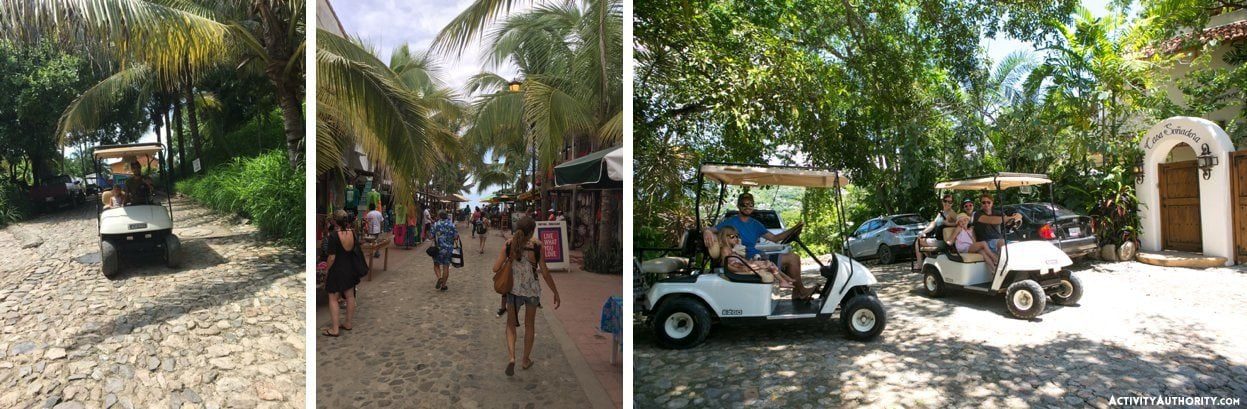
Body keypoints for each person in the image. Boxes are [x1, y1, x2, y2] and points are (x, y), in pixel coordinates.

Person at [703, 193, 816, 300]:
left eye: (750, 204)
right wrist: (707, 231)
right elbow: (711, 229)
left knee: (793, 257)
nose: (747, 207)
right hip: (746, 259)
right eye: (744, 204)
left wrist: (793, 229)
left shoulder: (755, 224)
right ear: (738, 206)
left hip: (757, 255)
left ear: (753, 205)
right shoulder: (731, 222)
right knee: (792, 258)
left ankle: (797, 292)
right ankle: (800, 292)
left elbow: (775, 238)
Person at [492, 216, 560, 376]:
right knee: (530, 325)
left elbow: (495, 268)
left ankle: (512, 358)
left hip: (513, 291)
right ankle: (525, 360)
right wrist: (555, 292)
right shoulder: (537, 246)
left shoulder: (509, 245)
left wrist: (509, 261)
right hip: (532, 292)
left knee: (510, 325)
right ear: (531, 232)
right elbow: (545, 272)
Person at [715, 226, 796, 288]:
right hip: (742, 268)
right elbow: (725, 264)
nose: (736, 238)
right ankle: (783, 281)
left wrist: (748, 261)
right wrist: (741, 269)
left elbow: (741, 260)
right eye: (732, 236)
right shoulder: (725, 250)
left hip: (745, 266)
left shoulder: (732, 250)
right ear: (724, 237)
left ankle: (785, 279)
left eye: (737, 236)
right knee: (769, 264)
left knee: (769, 263)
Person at [322, 210, 360, 337]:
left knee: (333, 298)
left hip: (337, 269)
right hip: (349, 268)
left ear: (334, 221)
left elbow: (332, 257)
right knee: (350, 296)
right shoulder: (352, 233)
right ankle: (348, 323)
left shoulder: (333, 235)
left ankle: (335, 329)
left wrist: (327, 269)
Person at [971, 193, 1022, 266]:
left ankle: (1016, 267)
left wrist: (1016, 217)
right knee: (1002, 243)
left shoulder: (997, 213)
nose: (986, 204)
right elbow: (992, 220)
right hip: (986, 242)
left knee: (1017, 244)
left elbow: (1007, 222)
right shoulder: (977, 214)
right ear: (981, 204)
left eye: (988, 202)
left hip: (998, 240)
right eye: (983, 202)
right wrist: (1011, 217)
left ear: (992, 203)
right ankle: (1004, 266)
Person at [914, 193, 958, 270]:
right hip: (938, 238)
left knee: (918, 242)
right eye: (945, 201)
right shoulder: (940, 213)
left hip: (945, 241)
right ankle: (931, 262)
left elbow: (960, 223)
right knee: (919, 240)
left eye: (950, 202)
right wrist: (923, 232)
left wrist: (948, 224)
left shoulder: (952, 213)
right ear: (942, 202)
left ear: (952, 203)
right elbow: (933, 225)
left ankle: (921, 264)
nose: (947, 203)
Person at [431, 210, 458, 291]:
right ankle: (443, 286)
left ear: (439, 216)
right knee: (446, 266)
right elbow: (456, 237)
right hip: (449, 249)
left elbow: (431, 236)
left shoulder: (436, 224)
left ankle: (439, 278)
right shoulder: (452, 225)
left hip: (438, 248)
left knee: (436, 265)